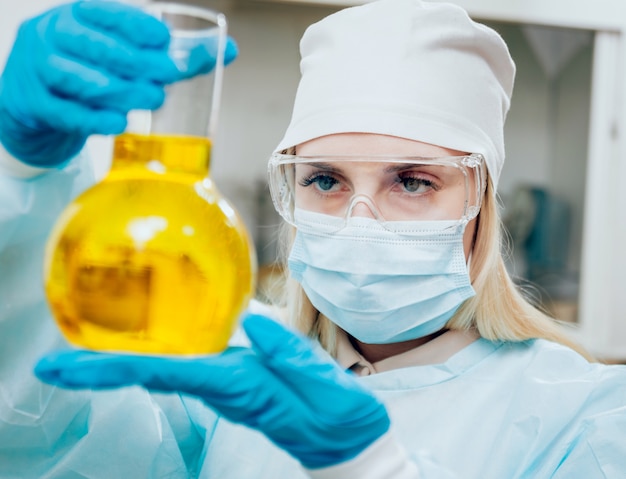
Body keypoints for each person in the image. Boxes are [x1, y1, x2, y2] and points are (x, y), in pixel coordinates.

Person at [1, 0, 625, 478]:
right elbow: (42, 435)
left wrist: (367, 463)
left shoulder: (586, 417)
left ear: (480, 206)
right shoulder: (229, 371)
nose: (359, 220)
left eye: (412, 181)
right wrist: (21, 174)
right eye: (324, 178)